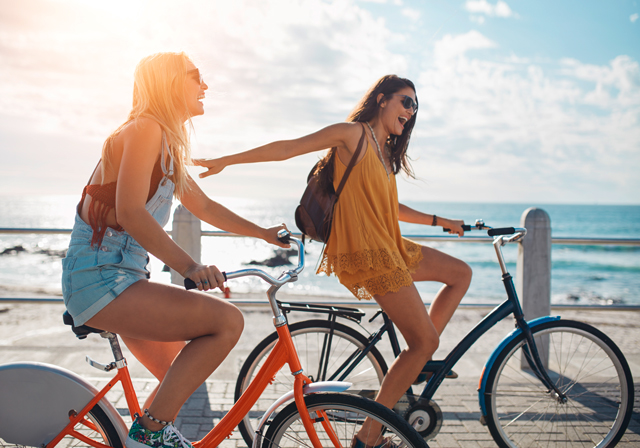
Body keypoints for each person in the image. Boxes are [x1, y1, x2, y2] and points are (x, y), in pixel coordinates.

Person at [195, 74, 472, 447]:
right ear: (382, 99)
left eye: (416, 106)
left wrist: (441, 222)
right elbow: (289, 148)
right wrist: (227, 160)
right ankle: (369, 435)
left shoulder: (385, 150)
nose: (411, 111)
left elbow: (393, 207)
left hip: (392, 246)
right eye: (406, 101)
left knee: (460, 273)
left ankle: (417, 362)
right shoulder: (352, 135)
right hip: (369, 254)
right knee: (423, 342)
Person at [61, 52, 288, 448]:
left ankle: (144, 437)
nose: (205, 85)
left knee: (174, 383)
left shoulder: (166, 143)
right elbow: (131, 212)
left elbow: (204, 207)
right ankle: (149, 434)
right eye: (196, 76)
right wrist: (191, 267)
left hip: (124, 278)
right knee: (228, 322)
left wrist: (263, 233)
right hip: (100, 279)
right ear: (169, 83)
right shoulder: (145, 129)